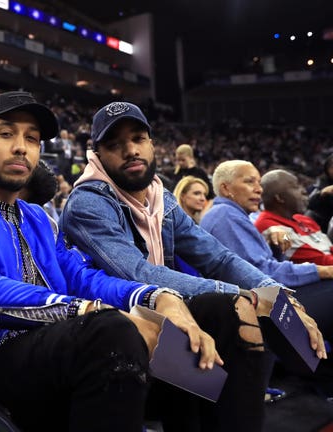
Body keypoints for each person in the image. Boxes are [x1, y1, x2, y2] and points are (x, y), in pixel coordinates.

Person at [0, 91, 228, 432]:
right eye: (6, 134)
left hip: (66, 347)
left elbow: (83, 277)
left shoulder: (38, 218)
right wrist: (88, 311)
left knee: (197, 324)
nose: (21, 146)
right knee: (111, 330)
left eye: (32, 139)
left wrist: (158, 296)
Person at [59, 102, 325, 431]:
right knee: (235, 306)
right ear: (95, 154)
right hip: (117, 319)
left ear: (152, 144)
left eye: (138, 138)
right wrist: (253, 296)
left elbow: (218, 257)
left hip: (165, 309)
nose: (130, 150)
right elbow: (139, 274)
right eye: (114, 144)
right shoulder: (89, 201)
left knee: (242, 307)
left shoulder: (160, 198)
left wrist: (279, 294)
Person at [200, 160, 333, 341]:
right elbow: (260, 273)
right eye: (249, 182)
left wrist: (274, 245)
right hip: (260, 308)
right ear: (225, 189)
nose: (259, 189)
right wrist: (322, 270)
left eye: (259, 182)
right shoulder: (225, 214)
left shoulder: (233, 215)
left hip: (262, 299)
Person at [256, 169, 333, 265]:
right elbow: (318, 262)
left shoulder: (304, 220)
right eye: (296, 187)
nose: (304, 190)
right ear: (280, 198)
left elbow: (330, 249)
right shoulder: (269, 227)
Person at [306, 154, 333, 234]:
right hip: (323, 221)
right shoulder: (322, 182)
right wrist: (322, 193)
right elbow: (309, 204)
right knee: (310, 214)